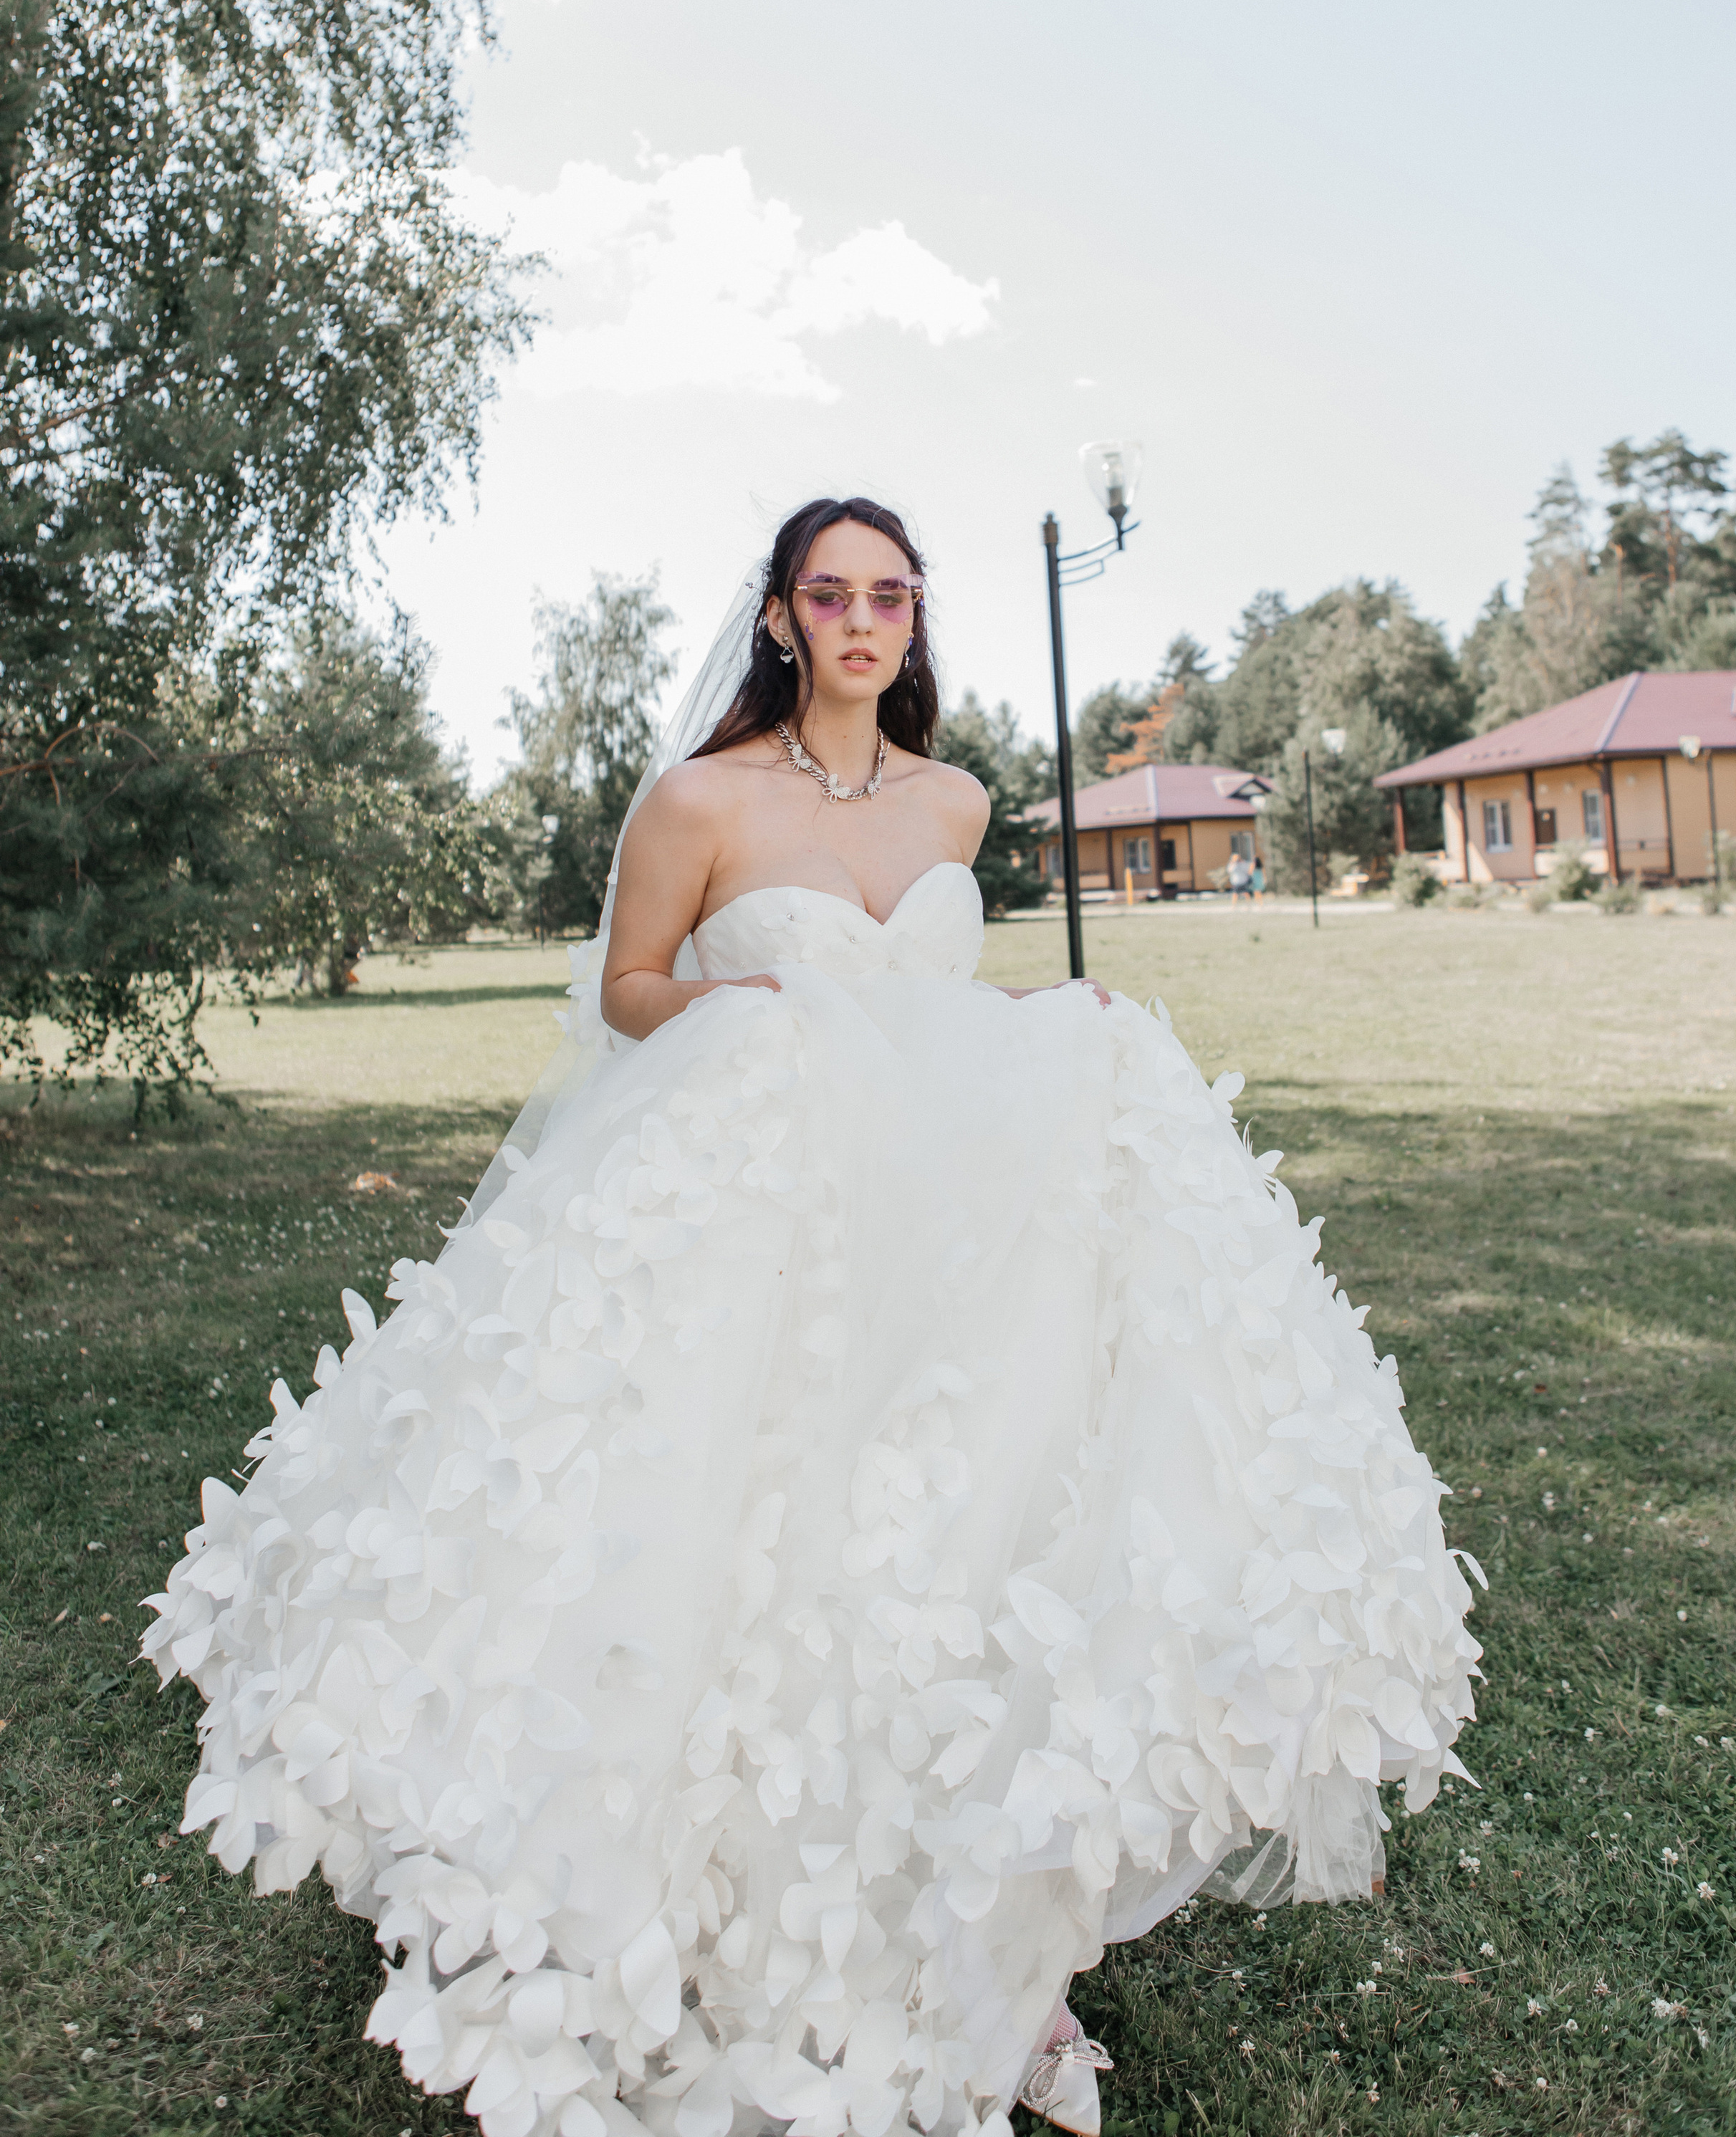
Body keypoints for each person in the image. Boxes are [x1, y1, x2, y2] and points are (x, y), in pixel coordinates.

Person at [144, 496, 1482, 2137]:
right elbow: (631, 992)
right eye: (830, 595)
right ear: (779, 617)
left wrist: (1043, 1019)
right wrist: (746, 1009)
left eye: (890, 596)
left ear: (912, 620)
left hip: (941, 1222)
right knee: (755, 1544)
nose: (861, 621)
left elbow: (920, 1015)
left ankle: (987, 1950)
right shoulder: (698, 799)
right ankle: (707, 1906)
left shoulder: (956, 801)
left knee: (937, 1549)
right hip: (765, 1223)